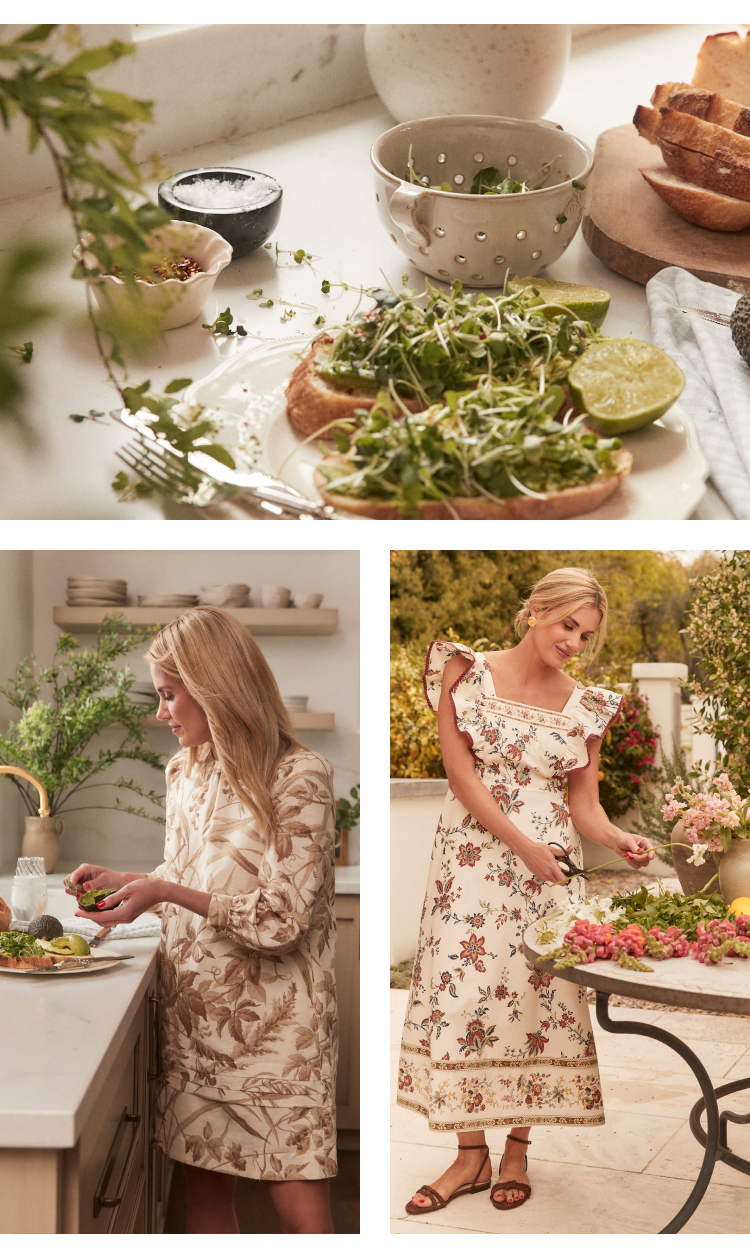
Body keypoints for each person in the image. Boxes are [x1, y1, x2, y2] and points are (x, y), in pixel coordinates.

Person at [68, 607, 338, 1234]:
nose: (161, 712)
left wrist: (164, 888)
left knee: (298, 1200)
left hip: (278, 1037)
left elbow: (282, 920)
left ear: (213, 686)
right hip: (194, 1021)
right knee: (204, 1195)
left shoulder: (301, 776)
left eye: (168, 694)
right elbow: (189, 868)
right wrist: (133, 881)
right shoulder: (185, 771)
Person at [398, 567, 655, 1214]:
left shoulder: (587, 704)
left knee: (536, 997)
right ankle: (468, 1154)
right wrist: (523, 846)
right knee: (463, 992)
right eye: (569, 625)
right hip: (472, 858)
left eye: (587, 635)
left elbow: (586, 807)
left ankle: (516, 1149)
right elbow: (461, 776)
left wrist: (620, 839)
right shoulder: (465, 670)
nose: (575, 642)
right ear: (536, 609)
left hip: (550, 864)